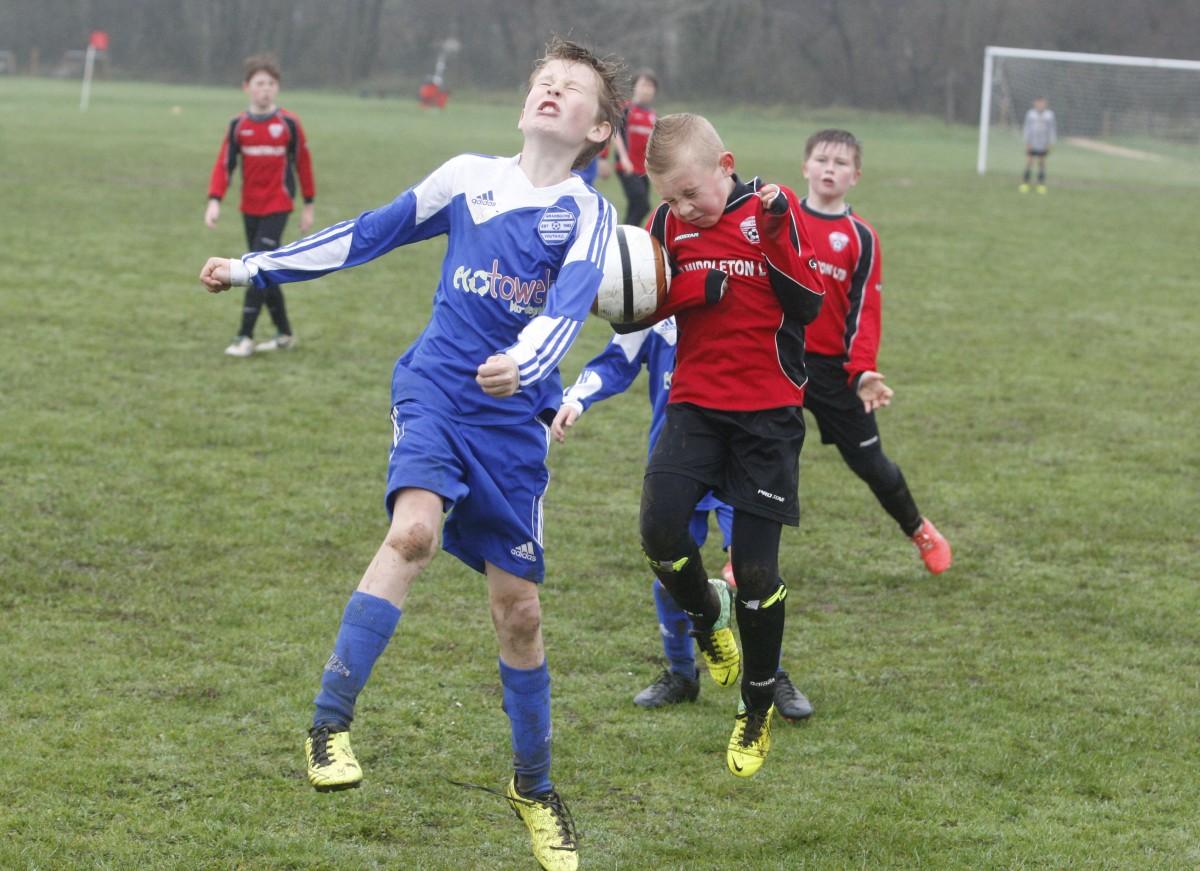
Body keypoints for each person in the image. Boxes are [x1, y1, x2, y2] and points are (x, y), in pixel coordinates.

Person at [199, 38, 629, 871]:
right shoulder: (466, 175)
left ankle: (534, 787)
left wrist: (530, 369)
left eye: (570, 88)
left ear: (599, 129)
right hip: (434, 388)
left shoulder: (588, 212)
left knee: (521, 612)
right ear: (522, 103)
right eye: (543, 80)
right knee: (414, 533)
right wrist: (255, 265)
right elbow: (367, 235)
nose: (550, 91)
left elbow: (570, 308)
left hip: (513, 424)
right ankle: (328, 724)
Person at [633, 113, 827, 778]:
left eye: (691, 194)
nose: (683, 209)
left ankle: (756, 703)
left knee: (759, 573)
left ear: (726, 165)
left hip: (768, 415)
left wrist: (773, 236)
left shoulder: (774, 209)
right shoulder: (666, 226)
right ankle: (705, 611)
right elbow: (637, 306)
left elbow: (806, 305)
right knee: (660, 530)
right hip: (693, 406)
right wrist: (692, 286)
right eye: (670, 199)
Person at [551, 320, 813, 721]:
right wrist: (576, 399)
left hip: (738, 459)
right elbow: (615, 360)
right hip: (680, 457)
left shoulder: (745, 296)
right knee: (669, 573)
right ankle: (681, 673)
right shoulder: (659, 305)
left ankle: (770, 674)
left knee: (751, 573)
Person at [797, 129, 952, 575]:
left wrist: (862, 371)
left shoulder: (861, 238)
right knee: (767, 460)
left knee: (871, 464)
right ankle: (742, 556)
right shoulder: (782, 220)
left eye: (841, 163)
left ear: (856, 176)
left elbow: (866, 312)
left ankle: (918, 526)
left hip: (834, 372)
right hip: (780, 361)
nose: (830, 168)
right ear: (805, 166)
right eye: (822, 159)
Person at [206, 54, 315, 357]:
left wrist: (308, 204)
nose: (265, 89)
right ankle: (285, 334)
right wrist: (215, 200)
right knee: (265, 270)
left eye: (270, 84)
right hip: (249, 208)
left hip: (278, 206)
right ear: (247, 88)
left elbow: (303, 164)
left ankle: (244, 337)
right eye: (259, 84)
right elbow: (224, 165)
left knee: (253, 267)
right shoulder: (238, 126)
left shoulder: (289, 124)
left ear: (276, 88)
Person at [610, 70, 657, 226]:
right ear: (635, 87)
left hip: (643, 168)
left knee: (638, 205)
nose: (647, 89)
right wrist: (623, 158)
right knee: (641, 203)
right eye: (643, 85)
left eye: (650, 86)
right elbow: (615, 131)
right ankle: (626, 233)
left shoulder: (652, 115)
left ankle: (626, 233)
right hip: (627, 166)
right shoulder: (626, 109)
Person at [1020, 97, 1056, 194]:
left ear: (1045, 104)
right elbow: (1027, 128)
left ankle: (1041, 184)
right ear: (1035, 103)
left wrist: (1050, 143)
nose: (1040, 105)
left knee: (1042, 163)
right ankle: (1025, 183)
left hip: (1043, 143)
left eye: (1042, 103)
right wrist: (1027, 142)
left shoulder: (1049, 115)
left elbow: (1051, 130)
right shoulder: (1030, 114)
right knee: (1029, 162)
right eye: (1038, 103)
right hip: (1032, 142)